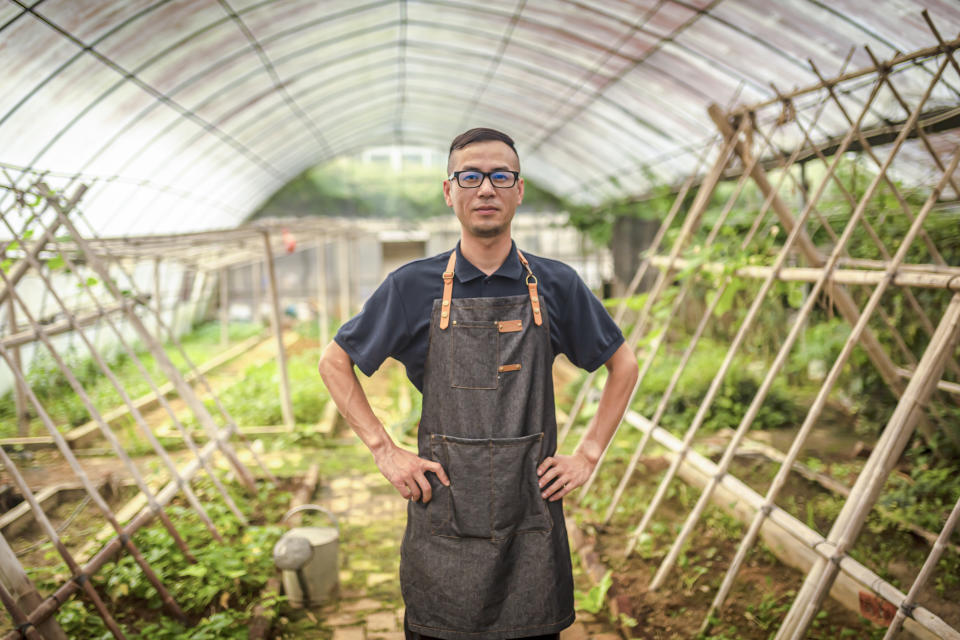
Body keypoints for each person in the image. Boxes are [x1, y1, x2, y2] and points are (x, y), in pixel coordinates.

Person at [318, 127, 639, 640]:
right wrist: (384, 450)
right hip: (445, 513)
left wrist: (590, 453)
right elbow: (335, 362)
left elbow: (623, 364)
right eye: (470, 176)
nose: (485, 188)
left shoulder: (555, 284)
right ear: (450, 192)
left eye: (499, 175)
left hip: (529, 517)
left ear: (519, 189)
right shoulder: (412, 286)